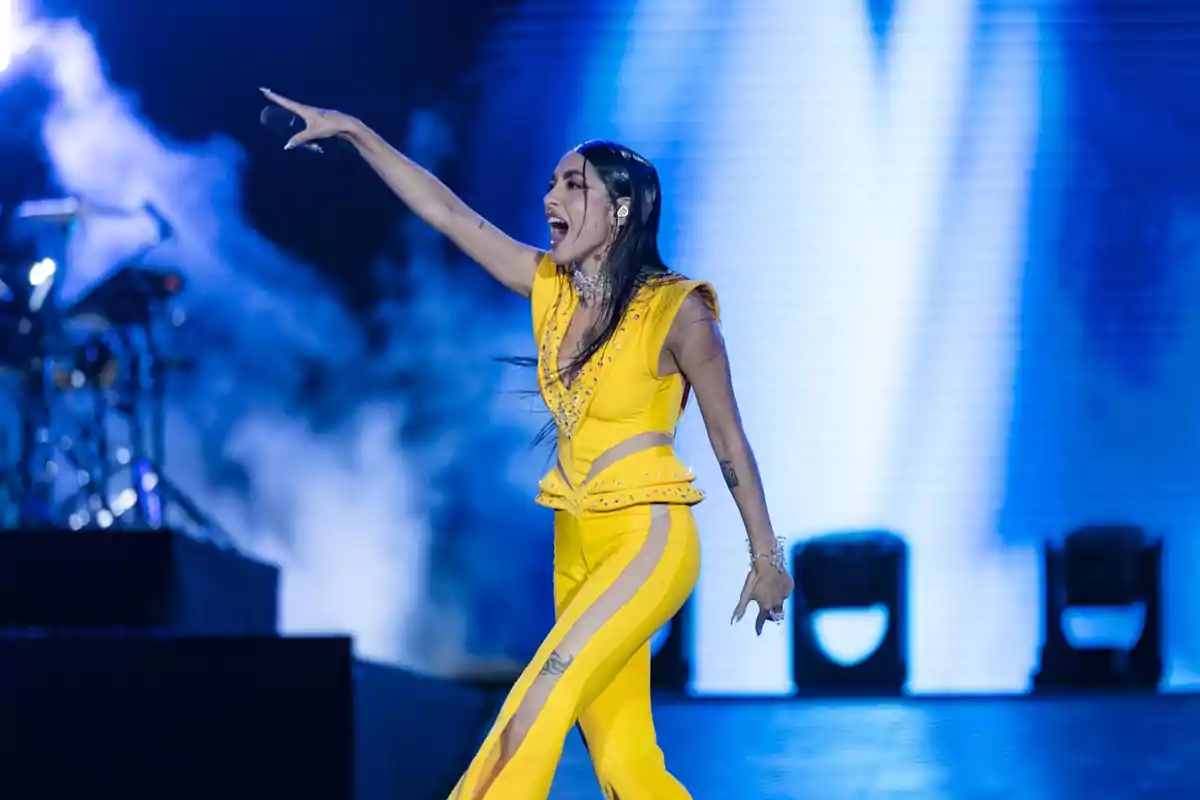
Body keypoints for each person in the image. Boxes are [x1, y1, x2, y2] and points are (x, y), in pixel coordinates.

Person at [260, 88, 794, 800]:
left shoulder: (680, 313)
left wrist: (766, 557)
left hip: (648, 539)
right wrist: (358, 132)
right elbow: (447, 213)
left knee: (535, 706)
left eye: (573, 185)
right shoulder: (551, 288)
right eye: (550, 184)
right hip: (575, 541)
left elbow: (731, 441)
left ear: (623, 209)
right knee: (627, 766)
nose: (552, 198)